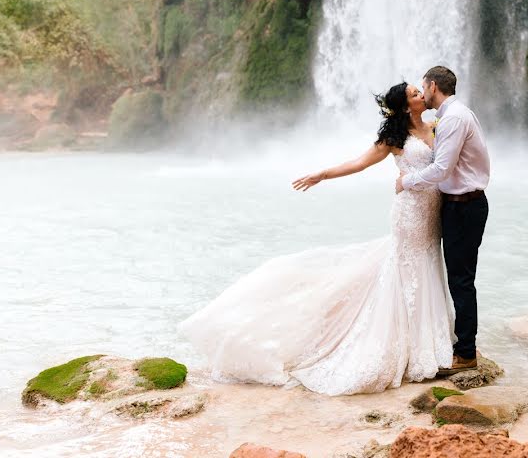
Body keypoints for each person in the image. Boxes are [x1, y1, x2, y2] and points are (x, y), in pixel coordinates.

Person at [179, 82, 455, 395]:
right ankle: (410, 347)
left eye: (421, 91)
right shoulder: (394, 139)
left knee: (428, 265)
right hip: (409, 214)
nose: (421, 95)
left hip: (433, 213)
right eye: (415, 94)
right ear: (406, 107)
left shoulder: (436, 127)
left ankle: (429, 341)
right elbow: (359, 163)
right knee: (407, 270)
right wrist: (322, 174)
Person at [396, 66, 490, 374]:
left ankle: (465, 354)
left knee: (461, 281)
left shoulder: (452, 118)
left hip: (464, 206)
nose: (422, 95)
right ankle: (463, 344)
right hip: (459, 205)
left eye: (423, 89)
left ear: (433, 86)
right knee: (460, 278)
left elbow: (441, 170)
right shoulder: (453, 116)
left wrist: (406, 181)